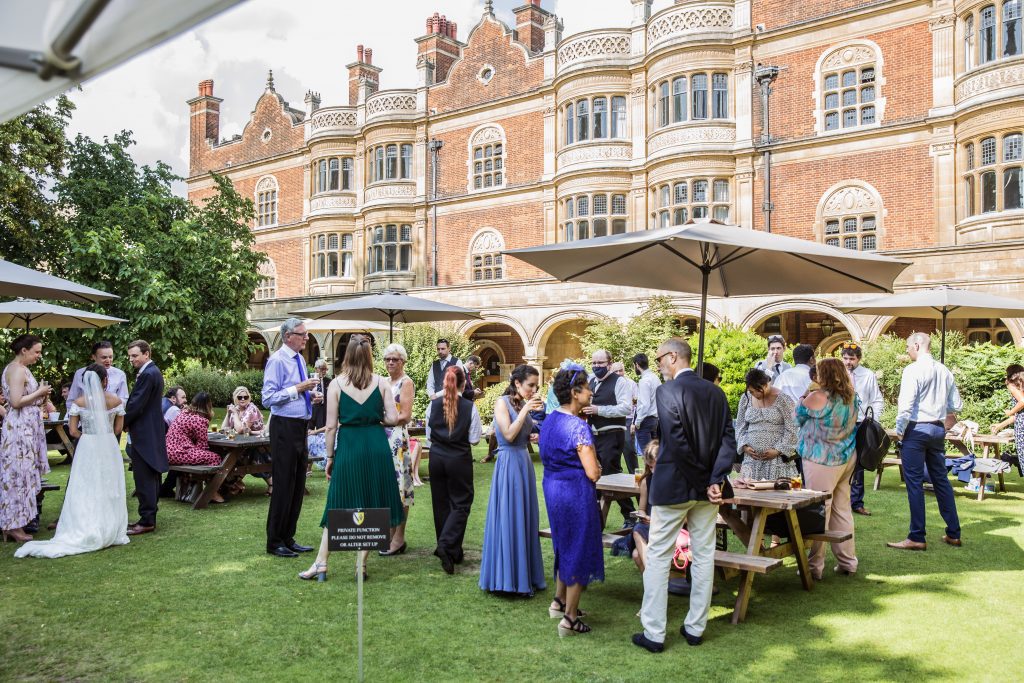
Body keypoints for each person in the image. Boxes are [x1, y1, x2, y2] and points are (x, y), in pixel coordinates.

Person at [632, 339, 735, 653]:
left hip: (675, 486)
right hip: (707, 490)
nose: (659, 364)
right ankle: (695, 628)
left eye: (660, 358)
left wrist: (707, 480)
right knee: (704, 556)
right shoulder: (717, 393)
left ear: (673, 356)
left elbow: (675, 441)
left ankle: (654, 632)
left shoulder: (667, 391)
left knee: (660, 556)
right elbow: (728, 440)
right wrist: (714, 479)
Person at [298, 335, 402, 582]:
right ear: (369, 357)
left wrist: (330, 456)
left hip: (350, 447)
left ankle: (322, 563)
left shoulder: (335, 384)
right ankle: (360, 566)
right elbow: (393, 418)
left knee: (337, 504)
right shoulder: (381, 383)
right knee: (372, 503)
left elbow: (331, 426)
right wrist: (375, 420)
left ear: (347, 356)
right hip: (375, 446)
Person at [15, 364, 129, 558]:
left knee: (85, 485)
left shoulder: (79, 401)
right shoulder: (115, 400)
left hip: (87, 446)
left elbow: (74, 431)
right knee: (109, 485)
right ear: (105, 380)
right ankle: (110, 528)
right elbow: (118, 429)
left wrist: (89, 435)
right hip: (108, 444)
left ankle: (84, 524)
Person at [539, 364, 603, 637]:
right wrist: (598, 466)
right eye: (587, 388)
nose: (590, 392)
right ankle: (570, 618)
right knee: (579, 546)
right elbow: (592, 472)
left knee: (563, 543)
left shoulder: (551, 419)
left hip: (552, 487)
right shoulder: (578, 427)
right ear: (576, 393)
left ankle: (558, 601)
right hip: (575, 491)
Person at [888, 332, 963, 551]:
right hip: (938, 429)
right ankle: (953, 533)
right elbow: (956, 404)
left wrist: (899, 430)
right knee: (941, 480)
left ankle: (917, 536)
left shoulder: (912, 370)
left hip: (916, 428)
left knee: (914, 483)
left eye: (908, 346)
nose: (907, 350)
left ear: (918, 345)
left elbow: (906, 404)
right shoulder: (945, 370)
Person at [479, 364, 546, 596]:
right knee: (509, 515)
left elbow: (521, 433)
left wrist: (533, 433)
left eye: (536, 385)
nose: (533, 389)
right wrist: (527, 410)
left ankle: (525, 573)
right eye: (530, 385)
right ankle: (506, 577)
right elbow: (507, 434)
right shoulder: (502, 402)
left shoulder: (522, 404)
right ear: (517, 383)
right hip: (508, 463)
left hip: (524, 462)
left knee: (524, 516)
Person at [796, 358, 860, 579]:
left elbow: (798, 415)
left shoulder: (818, 397)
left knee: (818, 512)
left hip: (821, 459)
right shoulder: (852, 398)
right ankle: (848, 562)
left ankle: (814, 566)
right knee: (842, 510)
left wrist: (805, 394)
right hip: (846, 456)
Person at [263, 318, 320, 558]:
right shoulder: (277, 360)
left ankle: (288, 537)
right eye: (302, 334)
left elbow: (297, 392)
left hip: (300, 427)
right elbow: (268, 398)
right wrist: (298, 389)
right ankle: (274, 540)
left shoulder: (299, 360)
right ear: (288, 336)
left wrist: (311, 395)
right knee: (284, 485)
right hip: (284, 427)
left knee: (298, 485)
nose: (307, 338)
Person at [428, 366, 482, 574]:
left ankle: (452, 550)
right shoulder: (469, 407)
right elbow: (475, 439)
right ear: (463, 384)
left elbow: (429, 434)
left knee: (441, 503)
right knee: (461, 503)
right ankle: (447, 545)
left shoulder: (433, 405)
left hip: (436, 457)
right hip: (458, 458)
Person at [0, 335, 51, 543]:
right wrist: (38, 391)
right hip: (19, 430)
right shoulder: (17, 369)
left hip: (27, 426)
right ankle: (13, 525)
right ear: (24, 350)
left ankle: (16, 523)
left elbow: (24, 398)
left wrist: (41, 396)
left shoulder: (20, 369)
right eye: (36, 351)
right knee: (17, 477)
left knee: (23, 476)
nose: (38, 356)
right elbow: (15, 401)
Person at [583, 349, 635, 527]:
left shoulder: (620, 382)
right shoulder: (590, 381)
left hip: (612, 434)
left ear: (609, 364)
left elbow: (626, 408)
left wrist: (599, 410)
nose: (597, 366)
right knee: (593, 474)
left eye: (600, 363)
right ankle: (595, 514)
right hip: (592, 435)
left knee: (610, 473)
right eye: (594, 363)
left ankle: (629, 515)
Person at [123, 340, 168, 537]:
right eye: (130, 356)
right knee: (150, 475)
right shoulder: (153, 372)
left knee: (144, 476)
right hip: (150, 431)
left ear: (146, 354)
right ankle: (148, 516)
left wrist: (123, 421)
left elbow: (135, 404)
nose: (131, 359)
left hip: (145, 433)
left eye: (135, 355)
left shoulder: (149, 374)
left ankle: (147, 520)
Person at [841, 342, 884, 516]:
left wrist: (873, 420)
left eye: (851, 358)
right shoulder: (838, 373)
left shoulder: (868, 375)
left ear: (858, 358)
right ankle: (840, 500)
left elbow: (877, 399)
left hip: (860, 423)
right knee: (842, 461)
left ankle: (857, 502)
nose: (848, 362)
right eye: (845, 358)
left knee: (859, 463)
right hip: (841, 423)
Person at [381, 343, 415, 556]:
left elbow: (405, 416)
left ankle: (399, 537)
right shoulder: (382, 381)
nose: (391, 362)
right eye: (388, 359)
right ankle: (388, 531)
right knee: (386, 487)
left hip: (396, 440)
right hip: (380, 440)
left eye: (395, 359)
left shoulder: (406, 382)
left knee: (401, 488)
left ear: (402, 361)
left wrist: (381, 421)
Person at [734, 368, 799, 481]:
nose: (753, 394)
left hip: (777, 462)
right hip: (751, 461)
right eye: (751, 391)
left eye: (756, 391)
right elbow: (740, 426)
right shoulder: (746, 398)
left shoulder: (783, 399)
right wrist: (744, 446)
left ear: (765, 385)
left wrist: (778, 450)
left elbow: (793, 428)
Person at [424, 338, 464, 442]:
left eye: (443, 349)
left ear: (449, 349)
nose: (440, 351)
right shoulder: (435, 364)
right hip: (435, 400)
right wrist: (431, 395)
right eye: (438, 349)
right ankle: (431, 445)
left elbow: (457, 383)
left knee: (450, 426)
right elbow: (430, 382)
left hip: (452, 400)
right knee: (429, 417)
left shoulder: (457, 362)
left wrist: (436, 395)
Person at [990, 364, 1024, 476]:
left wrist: (1010, 411)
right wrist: (1000, 425)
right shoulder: (1022, 386)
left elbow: (1022, 402)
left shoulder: (1011, 384)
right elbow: (1018, 416)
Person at [631, 439, 660, 573]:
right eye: (650, 467)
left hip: (666, 525)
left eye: (656, 466)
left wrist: (655, 520)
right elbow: (641, 509)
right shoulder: (646, 481)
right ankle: (654, 582)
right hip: (648, 526)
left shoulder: (673, 482)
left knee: (637, 554)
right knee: (638, 529)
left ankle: (653, 580)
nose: (653, 470)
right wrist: (644, 516)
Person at [611, 361, 640, 475]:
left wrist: (634, 422)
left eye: (620, 370)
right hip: (612, 420)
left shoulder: (631, 384)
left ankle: (636, 477)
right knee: (614, 451)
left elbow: (638, 404)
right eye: (615, 371)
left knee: (629, 449)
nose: (618, 373)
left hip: (627, 419)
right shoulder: (608, 384)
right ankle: (615, 479)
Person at [632, 353, 661, 455]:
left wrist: (637, 422)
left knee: (647, 456)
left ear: (637, 365)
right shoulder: (655, 378)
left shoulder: (644, 381)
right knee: (654, 454)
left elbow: (645, 405)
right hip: (654, 420)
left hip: (645, 421)